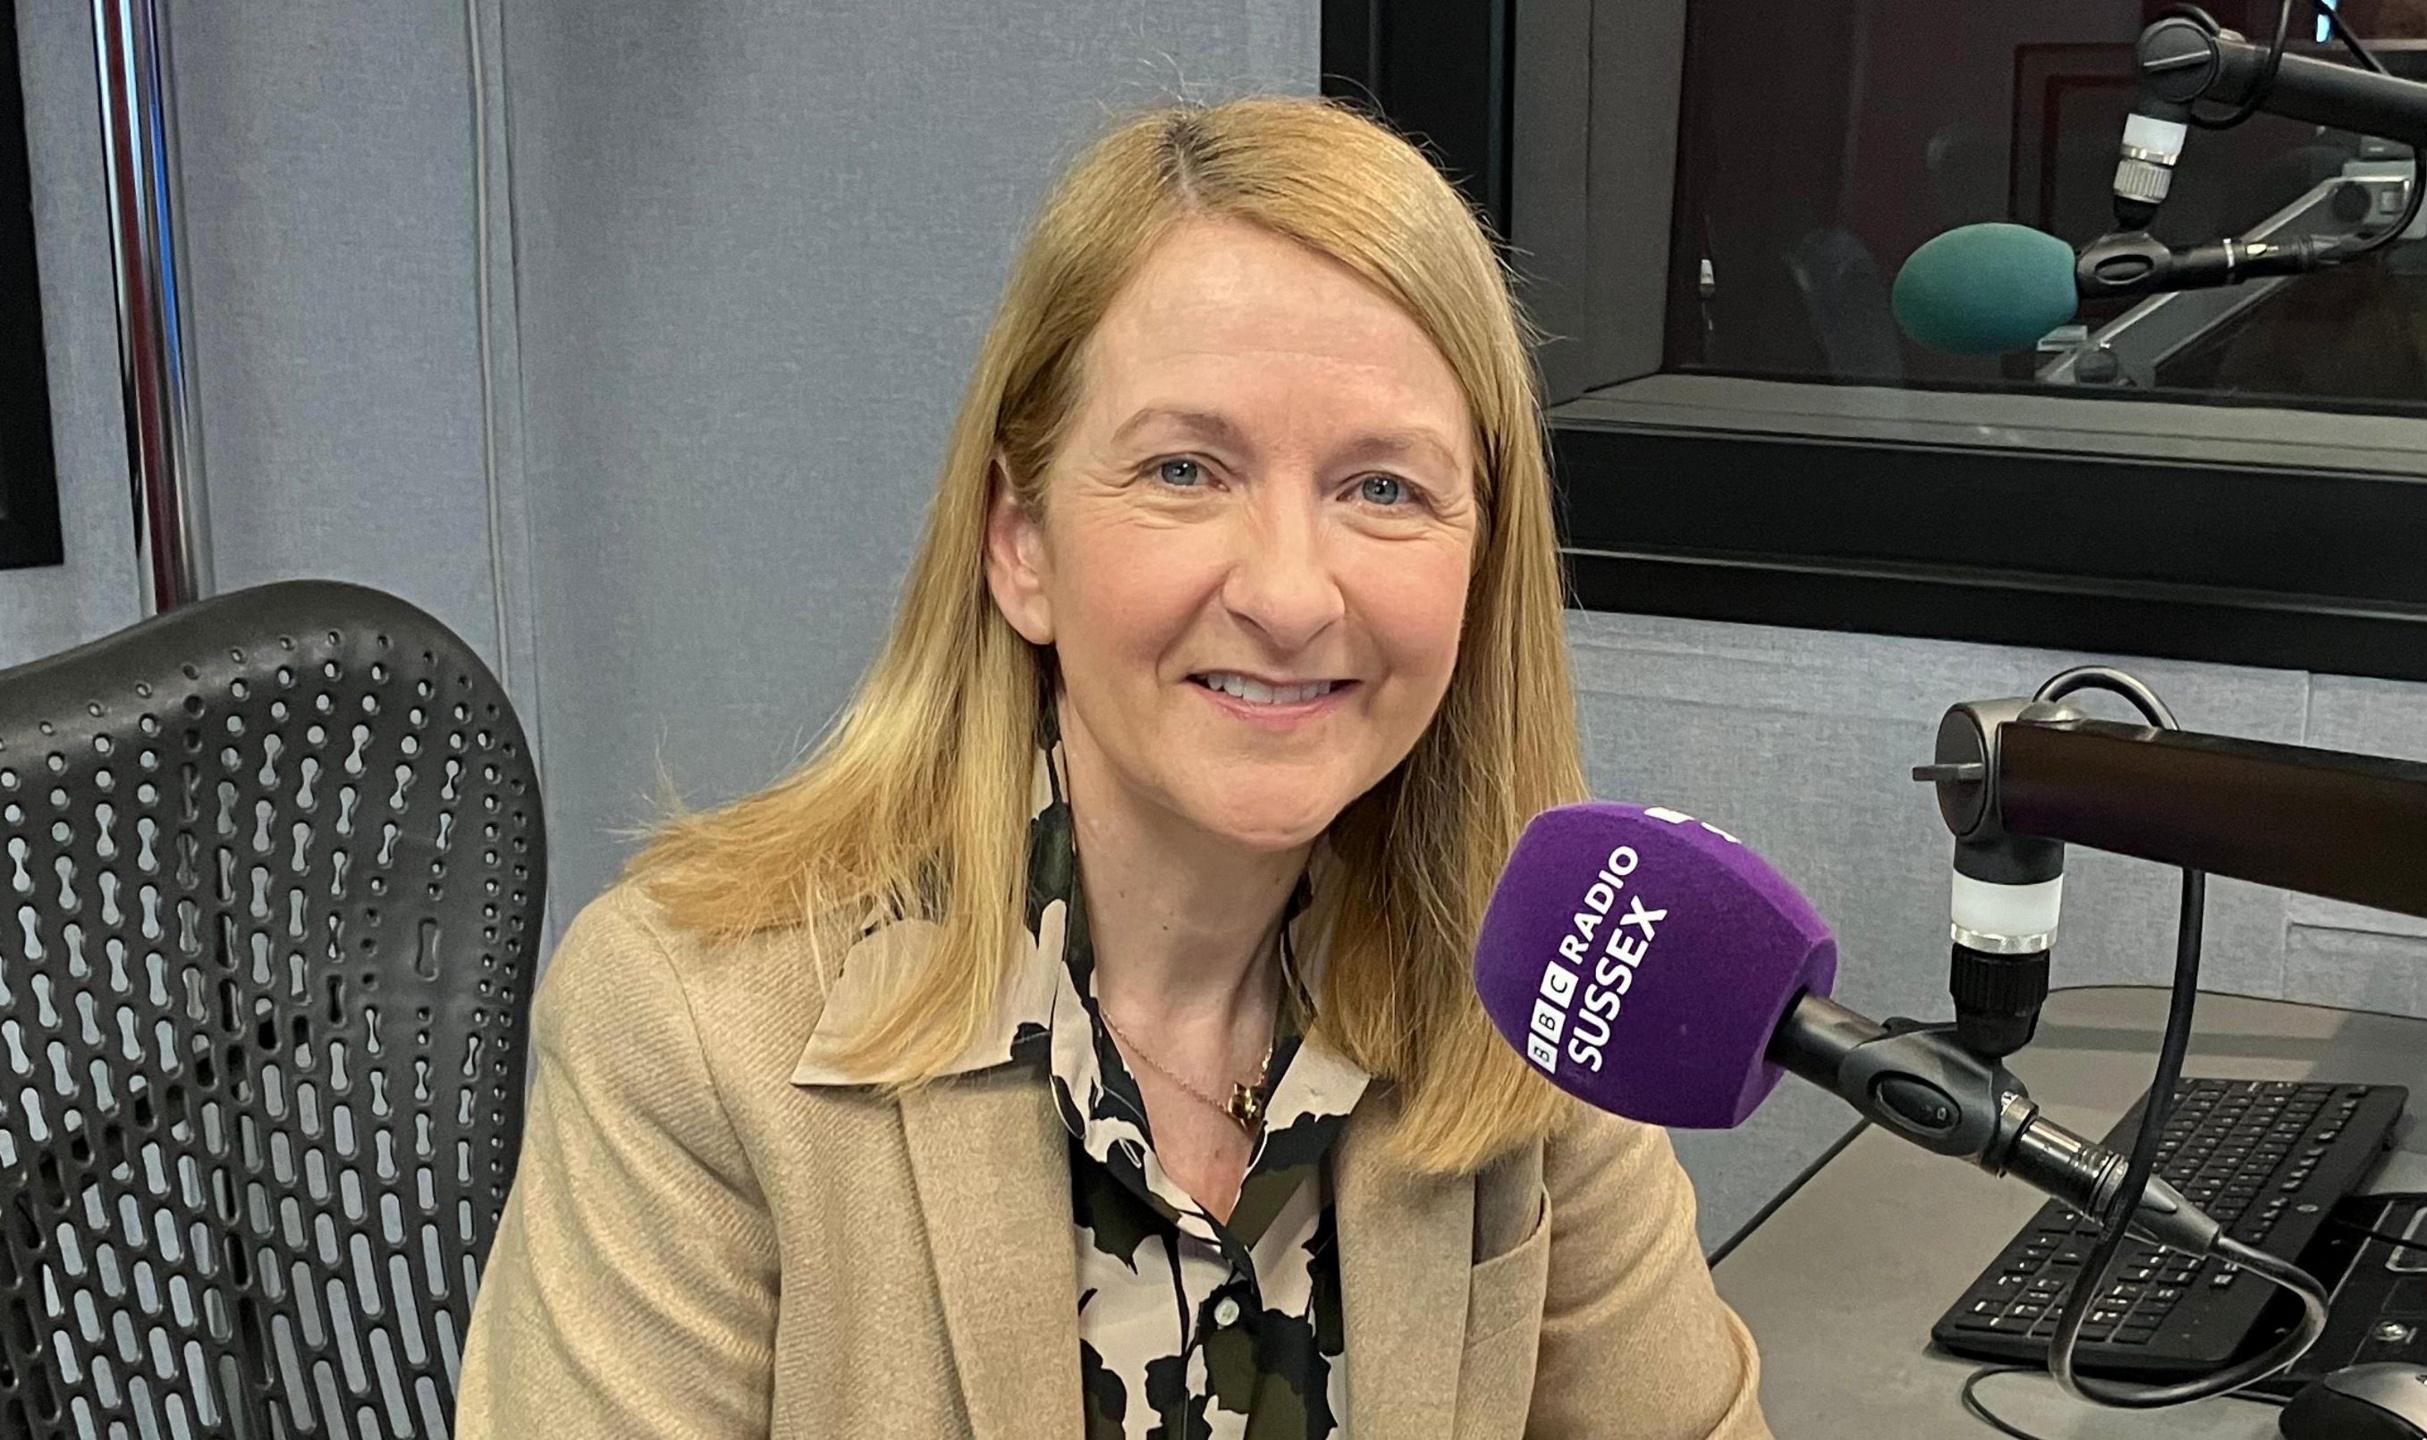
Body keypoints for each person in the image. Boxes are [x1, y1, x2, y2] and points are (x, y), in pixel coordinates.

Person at [455, 95, 1771, 1439]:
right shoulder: (691, 1032)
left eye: (1383, 488)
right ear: (1021, 546)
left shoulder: (1539, 993)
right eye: (1187, 468)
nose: (1289, 593)